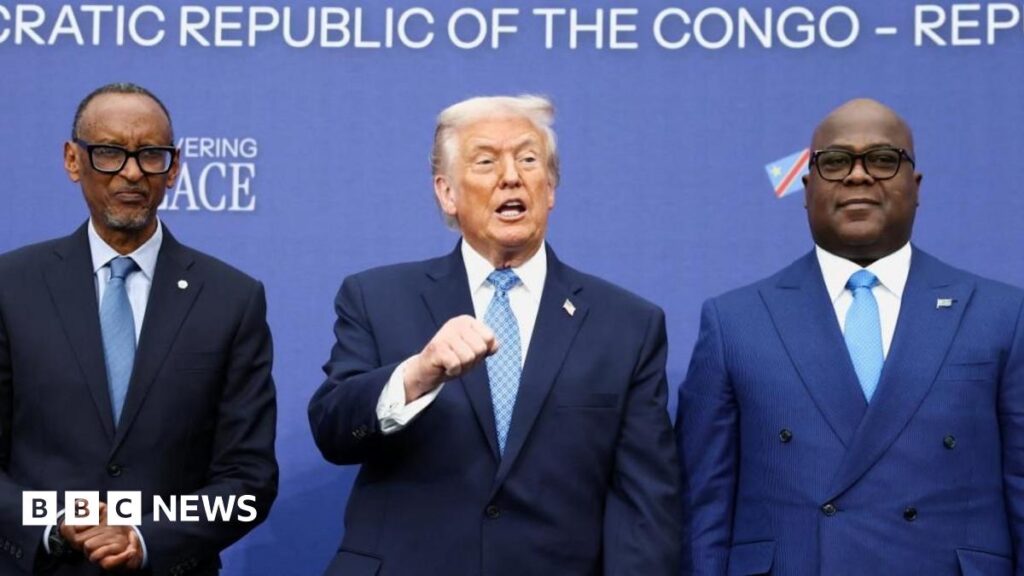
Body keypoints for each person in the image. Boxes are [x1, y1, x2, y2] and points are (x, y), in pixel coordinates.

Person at [309, 95, 681, 576]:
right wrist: (418, 374)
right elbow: (334, 432)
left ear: (550, 188)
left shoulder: (627, 325)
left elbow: (645, 506)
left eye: (528, 159)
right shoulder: (376, 297)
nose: (511, 176)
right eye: (485, 161)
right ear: (447, 193)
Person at [676, 98, 1024, 575]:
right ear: (807, 189)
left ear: (916, 186)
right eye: (836, 162)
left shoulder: (1002, 315)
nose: (858, 176)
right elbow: (703, 512)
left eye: (883, 159)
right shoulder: (734, 322)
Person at [0, 83, 278, 575]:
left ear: (174, 167)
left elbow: (248, 479)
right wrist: (53, 522)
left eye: (151, 154)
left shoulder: (231, 299)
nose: (132, 172)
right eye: (109, 153)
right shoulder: (10, 286)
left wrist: (147, 538)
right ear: (72, 160)